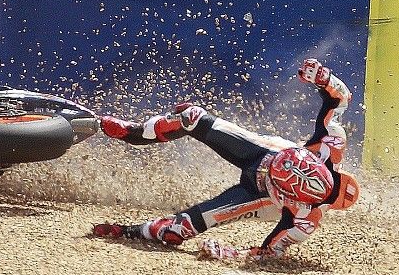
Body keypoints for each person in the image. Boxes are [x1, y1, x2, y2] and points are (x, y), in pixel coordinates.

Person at [93, 59, 360, 261]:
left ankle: (130, 230)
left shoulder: (304, 221)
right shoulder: (331, 145)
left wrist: (229, 253)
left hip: (257, 195)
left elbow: (269, 253)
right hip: (264, 152)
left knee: (176, 230)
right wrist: (325, 78)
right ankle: (132, 133)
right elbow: (341, 100)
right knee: (192, 117)